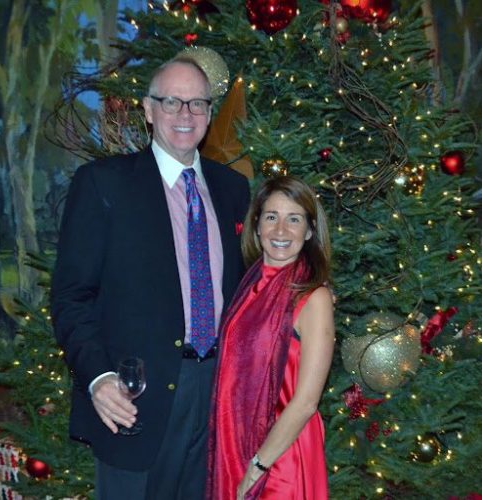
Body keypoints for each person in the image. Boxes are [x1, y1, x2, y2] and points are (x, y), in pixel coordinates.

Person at [51, 57, 250, 500]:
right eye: (171, 102)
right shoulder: (104, 184)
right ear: (147, 109)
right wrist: (98, 377)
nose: (185, 115)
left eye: (197, 103)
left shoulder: (233, 190)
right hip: (133, 398)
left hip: (217, 393)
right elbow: (71, 297)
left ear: (210, 112)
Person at [207, 176, 335, 499]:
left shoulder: (313, 298)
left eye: (294, 219)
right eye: (271, 217)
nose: (281, 230)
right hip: (237, 446)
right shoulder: (247, 286)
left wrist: (259, 464)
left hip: (280, 456)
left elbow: (306, 402)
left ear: (308, 232)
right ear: (257, 226)